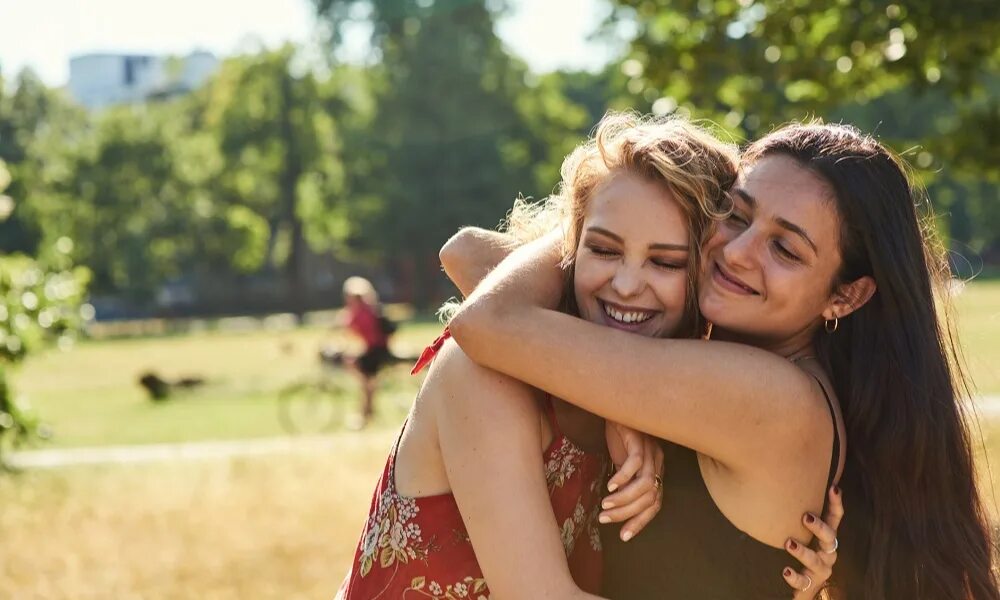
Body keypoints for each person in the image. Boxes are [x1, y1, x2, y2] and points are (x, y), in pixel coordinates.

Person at [446, 121, 999, 599]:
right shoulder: (730, 368)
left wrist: (601, 198)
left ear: (845, 296)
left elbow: (489, 321)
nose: (737, 252)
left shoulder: (767, 396)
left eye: (785, 248)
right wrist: (620, 401)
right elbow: (468, 252)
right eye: (736, 215)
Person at [337, 113, 840, 600]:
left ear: (705, 275)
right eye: (602, 249)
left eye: (665, 261)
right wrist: (598, 199)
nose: (625, 285)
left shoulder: (663, 397)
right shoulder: (483, 370)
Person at [339, 276, 393, 427]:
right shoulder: (371, 309)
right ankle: (367, 410)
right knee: (366, 383)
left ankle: (365, 412)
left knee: (365, 382)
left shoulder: (361, 312)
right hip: (376, 349)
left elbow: (349, 326)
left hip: (375, 351)